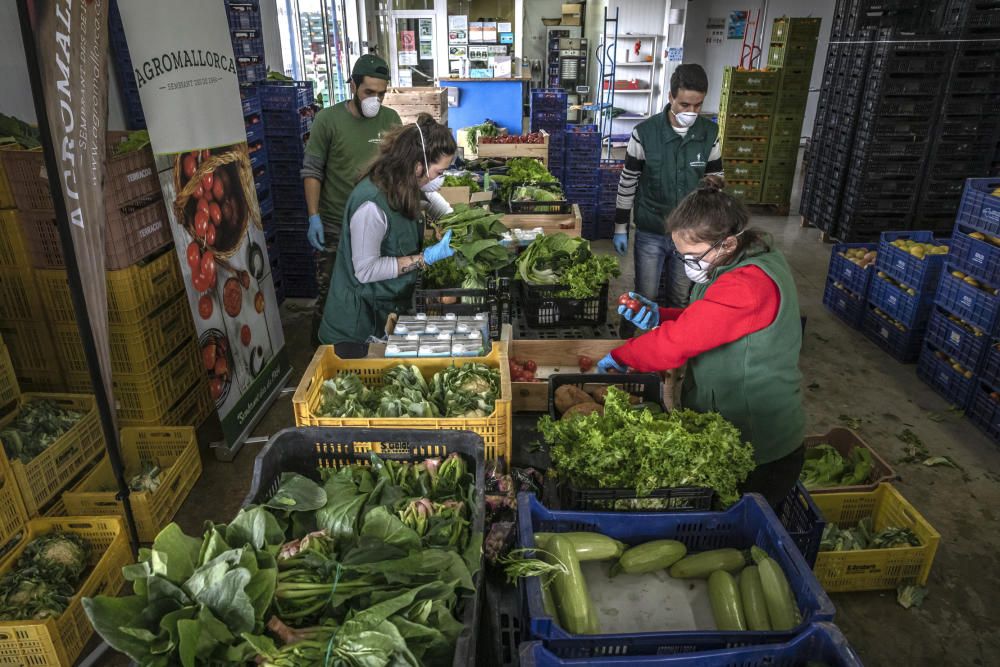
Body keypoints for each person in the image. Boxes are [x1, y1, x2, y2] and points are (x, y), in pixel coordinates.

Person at [598, 182, 805, 507]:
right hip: (733, 426)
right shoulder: (735, 263)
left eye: (693, 256)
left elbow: (677, 344)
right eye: (682, 256)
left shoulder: (748, 284)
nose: (686, 264)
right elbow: (710, 320)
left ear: (728, 243)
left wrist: (621, 355)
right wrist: (661, 316)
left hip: (758, 442)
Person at [317, 115, 458, 358]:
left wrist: (459, 222)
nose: (440, 179)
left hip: (385, 309)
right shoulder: (371, 205)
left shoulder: (405, 183)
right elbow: (365, 270)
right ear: (418, 166)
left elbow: (436, 204)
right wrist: (425, 258)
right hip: (357, 325)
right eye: (439, 172)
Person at [612, 63, 724, 336]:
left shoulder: (709, 135)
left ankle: (672, 351)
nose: (691, 112)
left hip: (692, 236)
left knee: (680, 296)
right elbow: (628, 181)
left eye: (698, 106)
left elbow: (717, 184)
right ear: (671, 97)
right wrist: (620, 226)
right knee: (644, 294)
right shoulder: (644, 134)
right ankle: (628, 342)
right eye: (684, 104)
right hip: (652, 229)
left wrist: (716, 229)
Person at [301, 54, 402, 345]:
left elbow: (398, 169)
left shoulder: (390, 120)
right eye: (369, 92)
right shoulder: (328, 120)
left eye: (381, 94)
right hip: (335, 224)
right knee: (332, 294)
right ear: (353, 86)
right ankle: (318, 358)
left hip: (376, 224)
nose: (375, 99)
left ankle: (368, 351)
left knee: (373, 291)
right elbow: (312, 170)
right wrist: (313, 217)